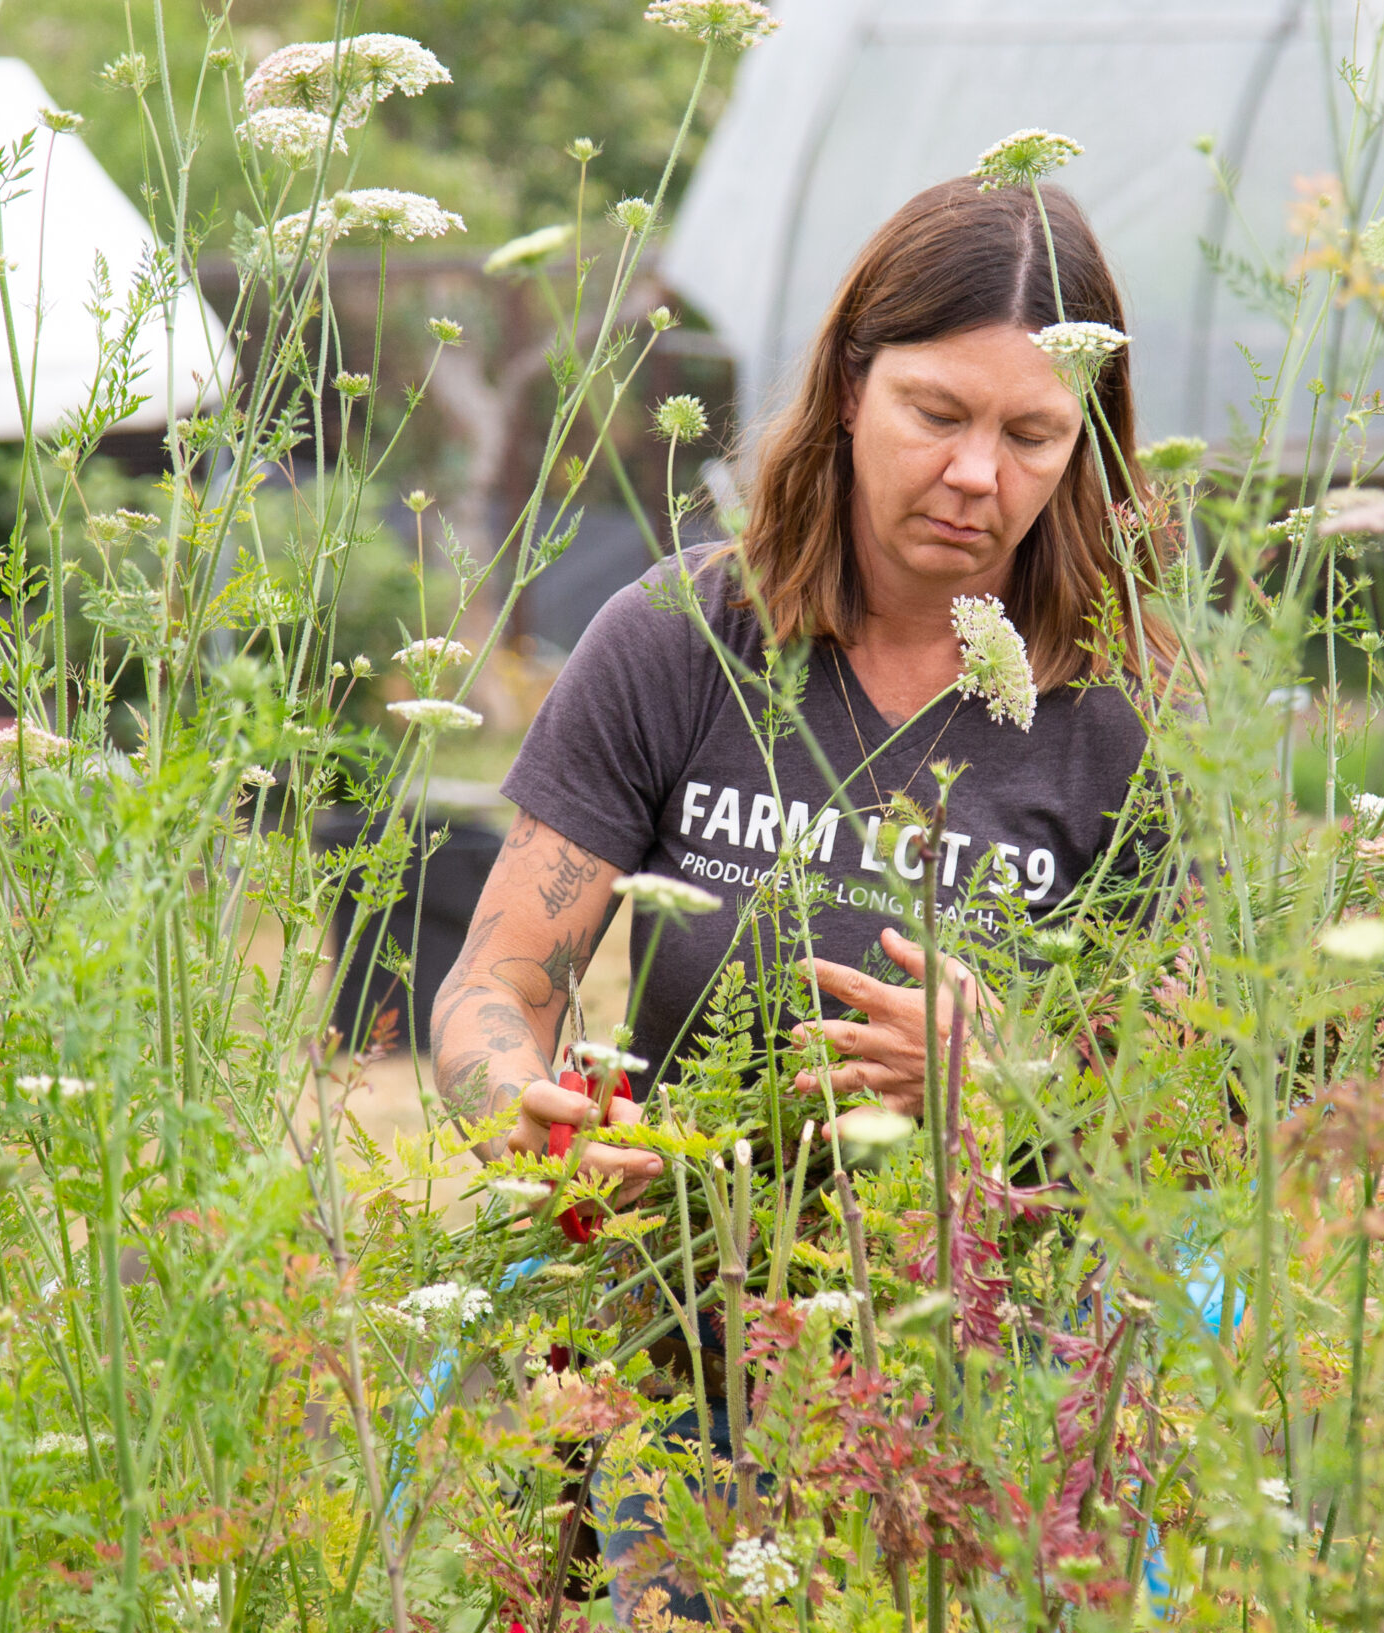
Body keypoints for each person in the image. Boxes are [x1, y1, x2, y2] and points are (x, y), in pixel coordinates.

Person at [428, 174, 1163, 1612]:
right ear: (844, 389)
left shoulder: (1118, 716)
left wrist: (1002, 1073)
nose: (977, 476)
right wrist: (525, 1108)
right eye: (938, 414)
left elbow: (1208, 1102)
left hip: (986, 1401)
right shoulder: (680, 644)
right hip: (684, 1385)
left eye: (1030, 434)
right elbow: (492, 986)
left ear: (1086, 447)